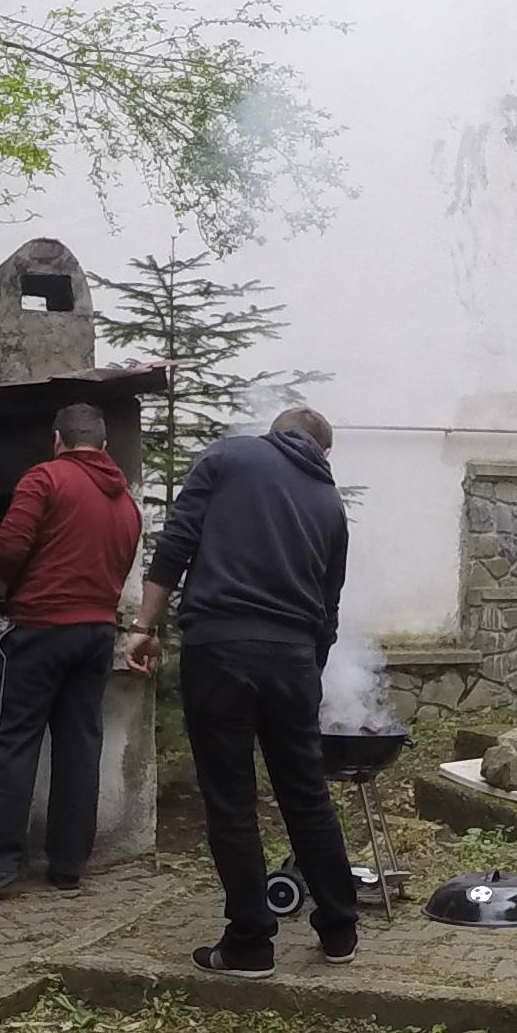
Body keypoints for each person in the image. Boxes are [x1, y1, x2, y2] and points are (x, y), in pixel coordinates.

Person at [131, 405, 354, 978]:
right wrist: (308, 671)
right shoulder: (329, 502)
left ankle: (251, 945)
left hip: (221, 649)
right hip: (293, 660)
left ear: (275, 433)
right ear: (322, 452)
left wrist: (144, 626)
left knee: (232, 799)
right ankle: (339, 930)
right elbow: (328, 607)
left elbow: (177, 543)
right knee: (307, 795)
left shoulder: (229, 456)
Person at [0, 401, 140, 905]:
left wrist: (11, 585)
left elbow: (8, 547)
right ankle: (69, 865)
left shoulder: (45, 479)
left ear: (57, 440)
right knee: (79, 746)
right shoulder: (125, 502)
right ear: (103, 445)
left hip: (42, 629)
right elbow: (120, 562)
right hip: (98, 633)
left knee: (8, 742)